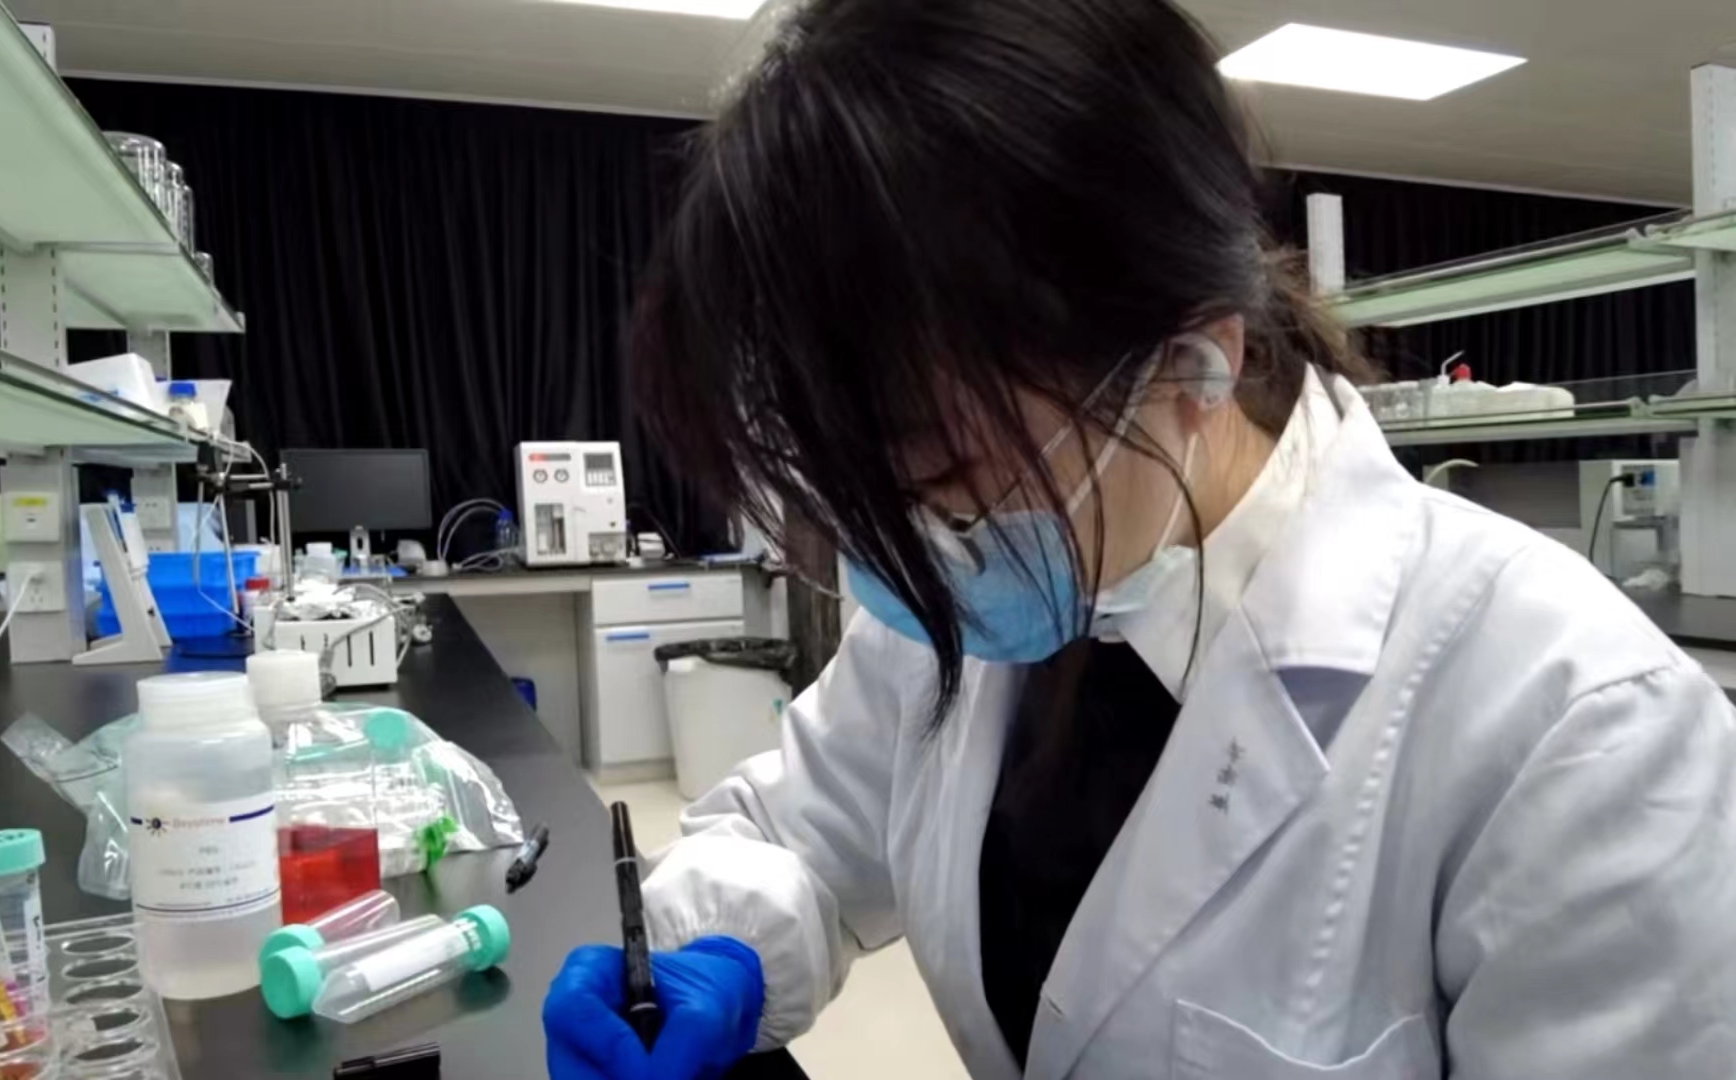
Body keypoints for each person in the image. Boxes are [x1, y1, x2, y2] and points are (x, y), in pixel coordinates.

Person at [543, 0, 1736, 1076]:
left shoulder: (1573, 728)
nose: (907, 541)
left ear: (1192, 364)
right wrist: (718, 948)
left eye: (944, 471)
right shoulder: (972, 580)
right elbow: (798, 830)